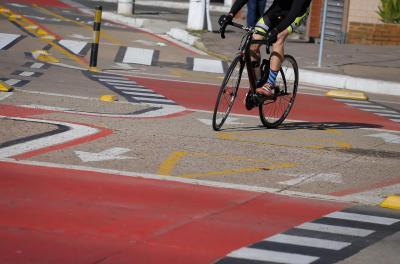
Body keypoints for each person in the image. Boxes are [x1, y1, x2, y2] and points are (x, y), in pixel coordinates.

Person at [219, 0, 311, 98]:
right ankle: (258, 82)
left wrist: (276, 31)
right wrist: (230, 14)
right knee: (254, 42)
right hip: (277, 10)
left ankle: (270, 84)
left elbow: (294, 12)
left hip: (297, 14)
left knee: (278, 38)